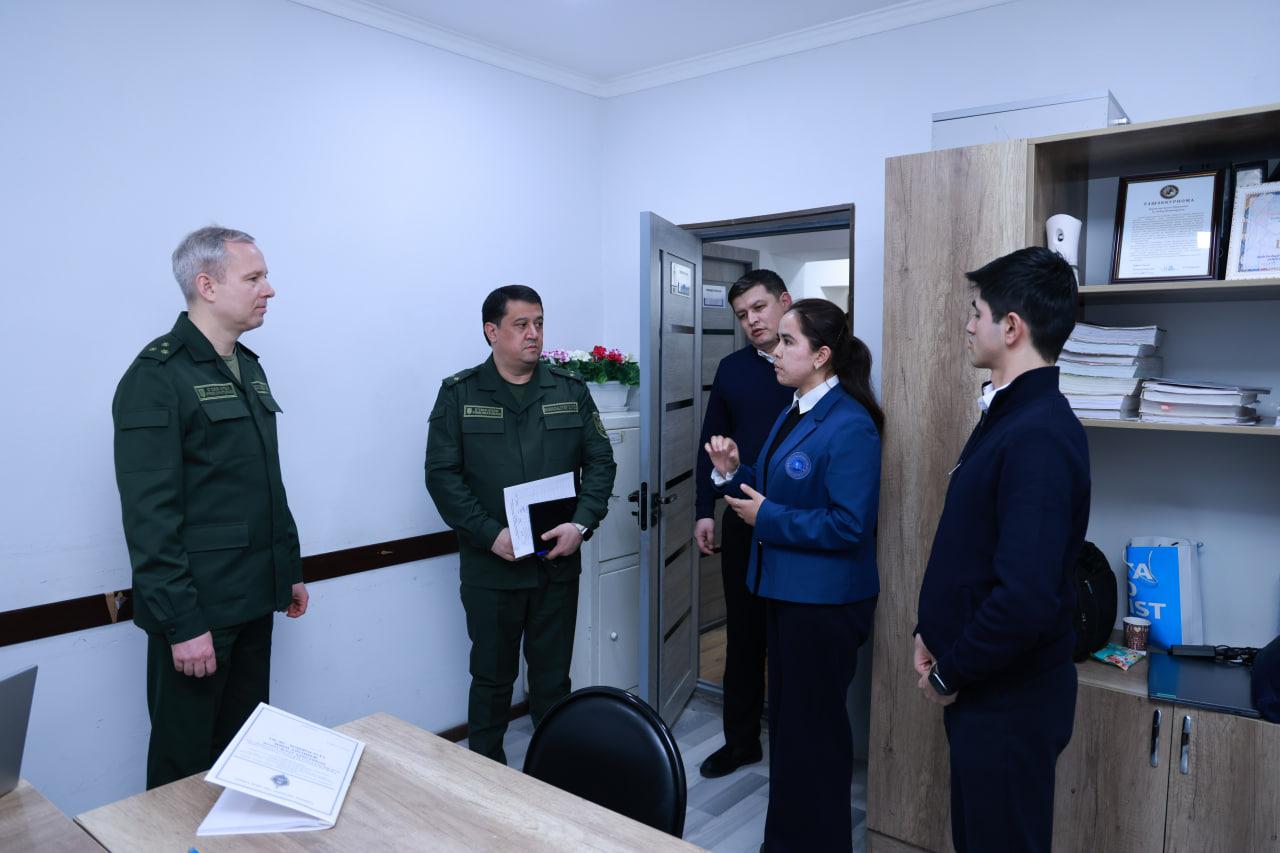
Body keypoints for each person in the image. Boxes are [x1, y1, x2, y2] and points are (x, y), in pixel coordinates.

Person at [112, 226, 308, 789]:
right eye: (254, 278)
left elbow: (264, 483)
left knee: (246, 756)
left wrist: (288, 569)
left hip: (254, 596)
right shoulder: (157, 377)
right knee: (183, 770)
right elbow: (150, 517)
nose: (269, 289)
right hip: (200, 612)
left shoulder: (248, 367)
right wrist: (182, 623)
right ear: (207, 286)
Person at [914, 246, 1090, 853]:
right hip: (984, 683)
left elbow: (1025, 598)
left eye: (976, 312)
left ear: (1010, 327)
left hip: (1010, 700)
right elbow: (970, 549)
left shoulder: (1038, 433)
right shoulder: (1009, 414)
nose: (968, 326)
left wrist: (949, 671)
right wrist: (930, 631)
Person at [706, 298, 883, 852]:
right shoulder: (795, 409)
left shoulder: (850, 424)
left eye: (787, 342)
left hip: (824, 604)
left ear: (822, 355)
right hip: (786, 593)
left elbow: (849, 525)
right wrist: (733, 472)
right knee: (790, 731)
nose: (774, 351)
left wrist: (768, 517)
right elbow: (775, 487)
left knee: (814, 736)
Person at [426, 285, 617, 764]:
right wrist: (490, 534)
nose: (534, 334)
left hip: (556, 564)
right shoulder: (460, 394)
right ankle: (485, 775)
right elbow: (442, 477)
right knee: (491, 679)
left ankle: (555, 773)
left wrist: (581, 525)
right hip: (492, 569)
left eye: (539, 323)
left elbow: (601, 462)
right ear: (492, 332)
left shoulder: (569, 390)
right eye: (521, 325)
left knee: (553, 681)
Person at [693, 269, 794, 778]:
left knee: (792, 642)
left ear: (784, 302)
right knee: (744, 638)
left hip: (798, 528)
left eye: (759, 308)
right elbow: (711, 443)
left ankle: (797, 752)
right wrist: (703, 510)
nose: (752, 320)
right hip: (741, 522)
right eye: (742, 315)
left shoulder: (818, 365)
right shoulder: (732, 370)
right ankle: (741, 742)